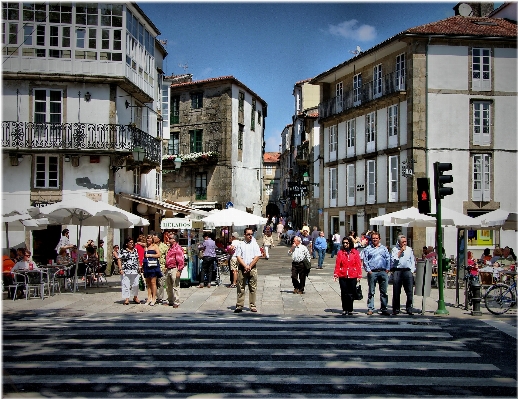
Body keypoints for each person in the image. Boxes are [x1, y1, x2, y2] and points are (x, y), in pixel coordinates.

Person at [361, 231, 390, 316]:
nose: (375, 240)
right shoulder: (368, 249)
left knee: (384, 292)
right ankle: (370, 308)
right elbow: (365, 261)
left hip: (383, 271)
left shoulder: (384, 248)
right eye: (373, 238)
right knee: (371, 291)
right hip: (373, 272)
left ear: (379, 239)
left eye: (376, 238)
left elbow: (388, 259)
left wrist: (387, 269)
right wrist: (369, 271)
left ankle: (384, 308)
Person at [234, 227, 261, 313]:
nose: (250, 236)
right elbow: (238, 256)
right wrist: (245, 266)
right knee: (241, 287)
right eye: (248, 234)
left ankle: (252, 305)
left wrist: (250, 266)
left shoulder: (255, 244)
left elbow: (257, 256)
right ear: (244, 235)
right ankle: (239, 305)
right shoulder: (240, 244)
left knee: (253, 287)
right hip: (242, 268)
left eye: (251, 234)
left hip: (252, 267)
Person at [334, 236, 362, 315]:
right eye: (344, 243)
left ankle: (350, 308)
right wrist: (336, 274)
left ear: (350, 243)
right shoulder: (340, 252)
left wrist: (359, 275)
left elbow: (358, 264)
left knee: (351, 293)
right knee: (344, 292)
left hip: (352, 275)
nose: (345, 244)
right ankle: (345, 308)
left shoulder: (355, 252)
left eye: (347, 243)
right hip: (343, 275)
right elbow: (338, 264)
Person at [390, 235, 416, 316]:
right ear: (399, 242)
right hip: (398, 271)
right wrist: (401, 251)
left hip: (407, 271)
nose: (404, 243)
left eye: (405, 241)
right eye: (403, 242)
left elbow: (412, 260)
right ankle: (396, 309)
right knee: (396, 291)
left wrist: (411, 271)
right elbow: (393, 259)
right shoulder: (394, 249)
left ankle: (409, 308)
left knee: (409, 291)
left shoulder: (409, 249)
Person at [117, 237, 141, 305]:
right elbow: (119, 259)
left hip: (135, 270)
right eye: (130, 243)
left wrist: (139, 266)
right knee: (125, 284)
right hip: (125, 270)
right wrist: (120, 268)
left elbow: (137, 259)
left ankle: (135, 297)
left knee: (136, 284)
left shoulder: (135, 250)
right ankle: (127, 299)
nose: (132, 244)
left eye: (132, 242)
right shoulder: (122, 250)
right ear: (126, 243)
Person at [164, 233, 185, 308]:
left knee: (175, 285)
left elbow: (181, 261)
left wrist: (179, 270)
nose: (168, 239)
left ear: (174, 240)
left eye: (170, 238)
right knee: (168, 286)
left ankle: (176, 301)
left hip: (174, 268)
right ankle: (170, 300)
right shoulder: (170, 248)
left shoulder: (178, 248)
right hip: (168, 268)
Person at [142, 234, 161, 306]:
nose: (148, 240)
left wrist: (150, 255)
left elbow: (159, 255)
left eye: (150, 239)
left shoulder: (155, 246)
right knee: (148, 282)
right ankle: (149, 297)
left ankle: (154, 298)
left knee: (153, 282)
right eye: (147, 239)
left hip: (153, 265)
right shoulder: (146, 247)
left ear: (152, 240)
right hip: (147, 265)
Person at [155, 232, 169, 304]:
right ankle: (155, 296)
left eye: (155, 236)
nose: (154, 238)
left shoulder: (164, 246)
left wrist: (166, 266)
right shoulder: (152, 246)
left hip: (161, 266)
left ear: (159, 238)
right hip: (153, 267)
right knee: (154, 283)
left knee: (161, 283)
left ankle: (160, 298)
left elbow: (167, 257)